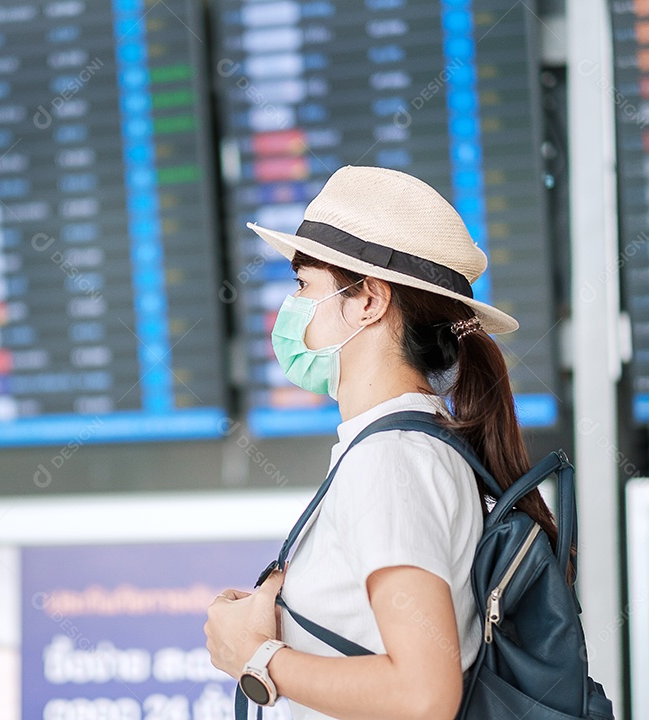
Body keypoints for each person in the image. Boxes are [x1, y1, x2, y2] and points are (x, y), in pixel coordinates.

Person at [204, 165, 562, 719]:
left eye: (304, 285)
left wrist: (255, 657)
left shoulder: (390, 462)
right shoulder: (404, 449)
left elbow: (423, 695)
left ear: (369, 300)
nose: (290, 308)